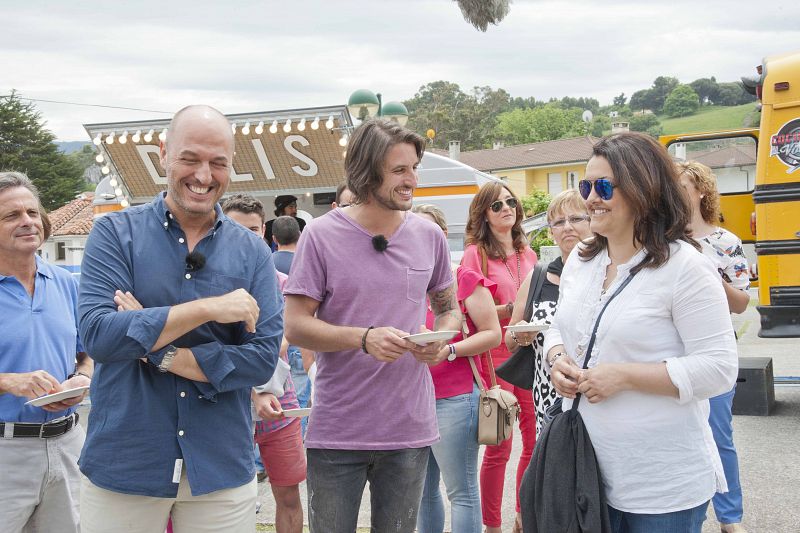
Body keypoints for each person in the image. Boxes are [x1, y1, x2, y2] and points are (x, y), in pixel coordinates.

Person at [78, 105, 283, 533]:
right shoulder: (114, 234)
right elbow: (99, 335)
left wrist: (158, 350)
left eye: (217, 163)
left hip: (220, 464)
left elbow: (261, 361)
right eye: (190, 159)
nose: (204, 176)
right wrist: (209, 308)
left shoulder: (252, 252)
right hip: (127, 460)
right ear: (163, 155)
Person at [544, 132, 737, 532]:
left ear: (643, 189)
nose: (591, 198)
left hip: (660, 483)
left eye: (603, 186)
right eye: (586, 186)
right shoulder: (581, 260)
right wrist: (556, 357)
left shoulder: (685, 268)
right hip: (584, 469)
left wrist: (625, 376)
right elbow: (556, 327)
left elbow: (719, 368)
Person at [283, 119, 462, 533]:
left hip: (408, 429)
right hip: (338, 430)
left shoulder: (429, 236)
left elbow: (448, 309)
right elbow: (295, 326)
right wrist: (363, 339)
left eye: (414, 168)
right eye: (399, 170)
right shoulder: (321, 236)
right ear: (366, 171)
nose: (411, 180)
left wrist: (440, 339)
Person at [0, 172, 93, 533]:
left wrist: (82, 377)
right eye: (11, 216)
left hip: (68, 444)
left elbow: (88, 353)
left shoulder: (67, 284)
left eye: (32, 212)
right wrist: (11, 382)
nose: (27, 222)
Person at [412, 204, 501, 533]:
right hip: (413, 399)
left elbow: (493, 334)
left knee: (461, 492)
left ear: (440, 236)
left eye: (427, 231)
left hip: (455, 399)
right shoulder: (404, 282)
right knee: (423, 492)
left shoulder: (463, 277)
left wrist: (449, 350)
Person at [222, 194, 306, 533]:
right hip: (226, 405)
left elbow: (289, 334)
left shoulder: (283, 284)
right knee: (229, 500)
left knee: (288, 495)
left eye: (253, 230)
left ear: (264, 234)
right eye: (234, 229)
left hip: (280, 404)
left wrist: (264, 349)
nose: (244, 237)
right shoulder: (203, 287)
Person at [462, 182, 537, 533]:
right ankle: (492, 526)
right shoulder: (475, 254)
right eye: (496, 205)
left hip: (530, 355)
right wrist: (514, 310)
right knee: (499, 448)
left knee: (535, 443)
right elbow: (472, 310)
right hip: (495, 359)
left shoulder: (528, 253)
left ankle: (522, 515)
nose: (506, 207)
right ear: (484, 214)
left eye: (511, 201)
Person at [679, 161, 750, 533]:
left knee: (719, 435)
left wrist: (706, 273)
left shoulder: (726, 242)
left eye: (684, 186)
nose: (676, 192)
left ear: (702, 191)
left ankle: (730, 516)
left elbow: (740, 302)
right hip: (672, 352)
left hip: (714, 350)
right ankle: (687, 510)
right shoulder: (662, 239)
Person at [504, 189, 592, 437]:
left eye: (576, 219)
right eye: (559, 222)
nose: (567, 227)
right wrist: (523, 335)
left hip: (595, 391)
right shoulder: (538, 277)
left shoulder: (608, 273)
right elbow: (510, 339)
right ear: (551, 232)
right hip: (549, 396)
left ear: (592, 221)